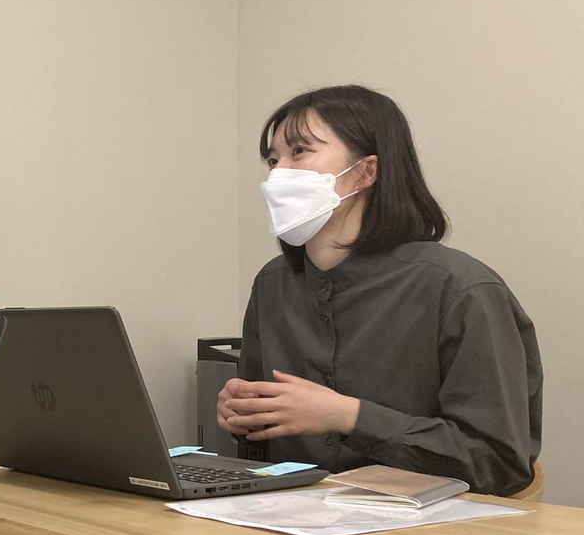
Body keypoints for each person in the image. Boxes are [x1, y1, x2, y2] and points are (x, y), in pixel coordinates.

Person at [217, 84, 541, 496]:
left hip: (429, 525)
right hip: (293, 514)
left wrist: (349, 417)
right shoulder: (272, 284)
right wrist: (244, 415)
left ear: (365, 172)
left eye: (299, 151)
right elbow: (263, 446)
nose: (279, 174)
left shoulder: (461, 289)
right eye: (273, 159)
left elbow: (499, 463)